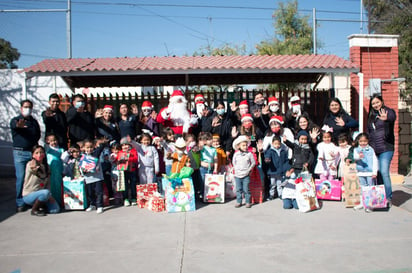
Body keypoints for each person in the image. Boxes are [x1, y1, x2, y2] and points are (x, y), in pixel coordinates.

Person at [10, 99, 41, 212]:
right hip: (20, 153)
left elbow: (37, 135)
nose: (28, 109)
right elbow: (15, 126)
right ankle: (20, 202)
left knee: (33, 178)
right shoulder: (16, 120)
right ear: (21, 108)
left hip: (31, 152)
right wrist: (19, 126)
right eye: (25, 107)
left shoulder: (33, 122)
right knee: (21, 177)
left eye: (29, 107)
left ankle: (31, 200)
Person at [367, 94, 396, 205]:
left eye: (377, 102)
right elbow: (369, 132)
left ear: (382, 102)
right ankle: (380, 197)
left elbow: (393, 117)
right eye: (373, 103)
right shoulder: (371, 116)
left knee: (384, 171)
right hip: (374, 149)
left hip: (386, 148)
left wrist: (387, 118)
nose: (375, 105)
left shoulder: (388, 112)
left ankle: (388, 197)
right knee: (377, 172)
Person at [23, 145, 60, 216]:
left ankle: (40, 205)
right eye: (36, 153)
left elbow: (48, 183)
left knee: (55, 209)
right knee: (45, 193)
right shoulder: (30, 164)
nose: (39, 155)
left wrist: (50, 196)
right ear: (33, 155)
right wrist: (34, 167)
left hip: (43, 194)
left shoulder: (47, 166)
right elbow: (32, 168)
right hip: (29, 195)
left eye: (41, 152)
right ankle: (34, 210)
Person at [349, 133, 378, 212]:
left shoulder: (371, 150)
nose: (363, 143)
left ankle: (370, 204)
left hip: (369, 172)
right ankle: (362, 203)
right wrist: (359, 156)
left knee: (370, 188)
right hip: (361, 172)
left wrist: (375, 172)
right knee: (362, 188)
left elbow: (375, 161)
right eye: (361, 141)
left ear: (368, 141)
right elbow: (354, 157)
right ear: (358, 141)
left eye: (365, 141)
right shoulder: (356, 150)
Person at [81, 139, 106, 214]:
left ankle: (100, 205)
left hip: (97, 177)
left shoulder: (96, 153)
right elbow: (80, 167)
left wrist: (102, 143)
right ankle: (92, 204)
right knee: (90, 192)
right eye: (87, 147)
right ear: (83, 148)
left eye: (91, 147)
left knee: (99, 192)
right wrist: (83, 171)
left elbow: (101, 148)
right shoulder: (82, 156)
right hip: (88, 178)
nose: (89, 149)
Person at [264, 135, 291, 200]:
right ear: (272, 143)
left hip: (280, 171)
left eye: (278, 144)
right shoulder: (270, 151)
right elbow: (267, 156)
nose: (277, 145)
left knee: (279, 184)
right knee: (272, 184)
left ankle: (280, 194)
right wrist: (267, 159)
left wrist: (286, 169)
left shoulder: (283, 151)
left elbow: (286, 160)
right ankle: (271, 194)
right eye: (275, 144)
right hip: (273, 171)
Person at [232, 135, 256, 208]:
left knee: (246, 189)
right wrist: (235, 169)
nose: (245, 147)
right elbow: (234, 162)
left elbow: (253, 162)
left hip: (246, 174)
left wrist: (249, 170)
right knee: (238, 189)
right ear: (239, 146)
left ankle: (247, 202)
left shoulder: (249, 154)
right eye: (243, 145)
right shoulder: (236, 154)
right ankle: (239, 201)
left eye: (246, 145)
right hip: (237, 174)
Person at [116, 137, 138, 207]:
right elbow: (117, 159)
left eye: (127, 144)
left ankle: (134, 198)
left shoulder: (133, 151)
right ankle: (126, 199)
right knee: (124, 185)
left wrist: (129, 157)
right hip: (123, 171)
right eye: (123, 145)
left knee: (133, 184)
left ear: (130, 145)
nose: (125, 146)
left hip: (132, 170)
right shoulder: (120, 152)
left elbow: (136, 159)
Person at [45, 134, 64, 207]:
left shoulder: (61, 150)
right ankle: (52, 201)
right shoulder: (48, 150)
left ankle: (60, 201)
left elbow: (64, 161)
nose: (54, 142)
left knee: (59, 186)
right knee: (51, 187)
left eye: (55, 140)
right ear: (48, 141)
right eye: (51, 141)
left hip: (59, 171)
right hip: (51, 172)